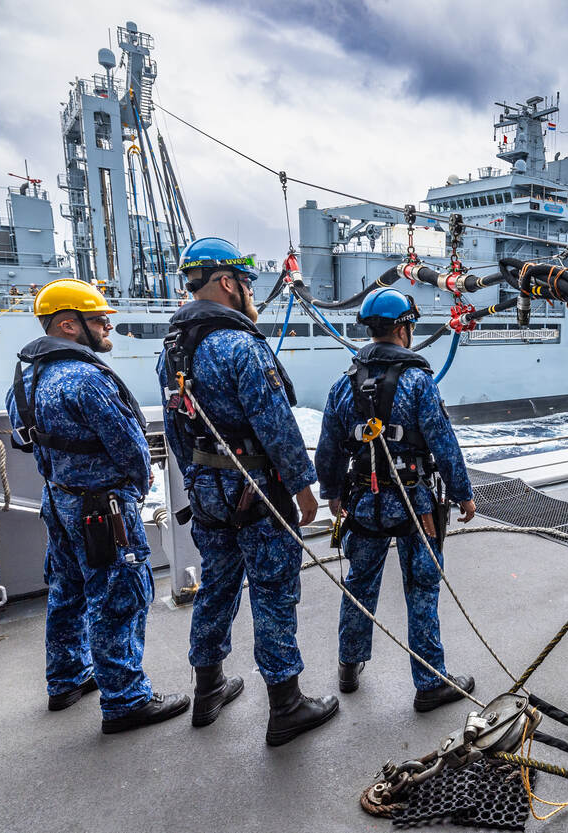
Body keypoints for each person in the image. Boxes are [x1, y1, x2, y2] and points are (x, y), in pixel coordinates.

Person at [158, 236, 337, 745]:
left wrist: (197, 479)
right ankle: (286, 705)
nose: (252, 293)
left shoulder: (173, 349)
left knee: (217, 585)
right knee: (273, 589)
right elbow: (275, 424)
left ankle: (207, 690)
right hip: (256, 490)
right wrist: (303, 488)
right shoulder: (242, 345)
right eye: (247, 283)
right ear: (227, 282)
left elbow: (176, 429)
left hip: (207, 491)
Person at [5, 278, 189, 733]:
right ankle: (126, 700)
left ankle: (66, 679)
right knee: (118, 597)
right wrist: (139, 480)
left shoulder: (24, 379)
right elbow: (129, 444)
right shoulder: (87, 379)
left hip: (58, 500)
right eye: (99, 319)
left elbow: (25, 439)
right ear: (68, 325)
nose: (109, 325)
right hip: (102, 510)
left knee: (67, 590)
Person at [315, 287, 478, 712]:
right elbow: (444, 444)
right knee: (421, 587)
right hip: (414, 504)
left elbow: (329, 448)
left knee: (359, 583)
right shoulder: (419, 382)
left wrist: (332, 493)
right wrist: (463, 495)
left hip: (363, 502)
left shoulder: (343, 384)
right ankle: (430, 682)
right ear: (404, 329)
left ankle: (348, 666)